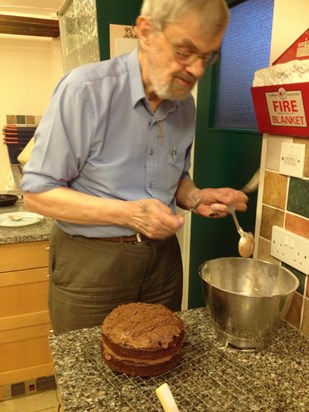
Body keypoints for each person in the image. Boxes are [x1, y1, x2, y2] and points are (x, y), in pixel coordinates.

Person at [21, 0, 248, 334]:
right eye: (185, 52)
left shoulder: (184, 106)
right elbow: (37, 194)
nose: (198, 70)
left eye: (207, 57)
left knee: (160, 359)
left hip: (163, 263)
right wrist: (128, 214)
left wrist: (197, 197)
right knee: (90, 376)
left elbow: (175, 178)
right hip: (91, 264)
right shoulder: (84, 91)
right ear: (145, 32)